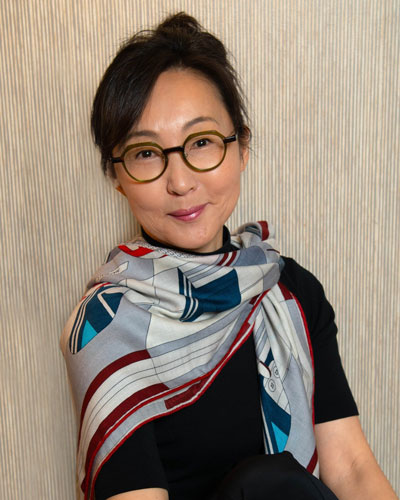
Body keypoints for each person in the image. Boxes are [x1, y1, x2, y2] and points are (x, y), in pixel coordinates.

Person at [60, 12, 397, 500]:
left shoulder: (289, 290)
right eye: (146, 153)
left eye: (202, 143)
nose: (180, 182)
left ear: (241, 147)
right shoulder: (105, 324)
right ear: (117, 175)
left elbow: (351, 467)